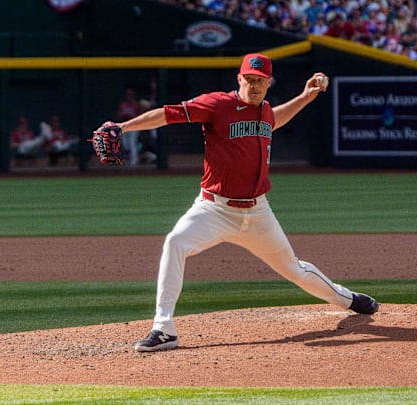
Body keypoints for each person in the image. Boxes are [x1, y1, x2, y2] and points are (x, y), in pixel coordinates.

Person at [95, 53, 379, 352]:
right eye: (249, 79)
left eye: (260, 81)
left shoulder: (265, 110)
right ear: (239, 79)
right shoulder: (218, 104)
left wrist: (307, 96)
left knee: (294, 269)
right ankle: (164, 328)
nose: (254, 86)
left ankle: (347, 299)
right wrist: (123, 127)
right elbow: (168, 114)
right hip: (213, 209)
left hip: (258, 213)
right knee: (175, 242)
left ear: (268, 83)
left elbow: (275, 118)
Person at [115, 88, 143, 166]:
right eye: (128, 95)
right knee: (125, 144)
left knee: (132, 143)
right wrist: (123, 115)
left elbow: (141, 116)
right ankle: (128, 159)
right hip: (125, 125)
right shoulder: (123, 105)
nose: (129, 96)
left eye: (131, 95)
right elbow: (118, 114)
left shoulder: (136, 105)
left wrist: (131, 116)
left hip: (134, 126)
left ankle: (134, 161)